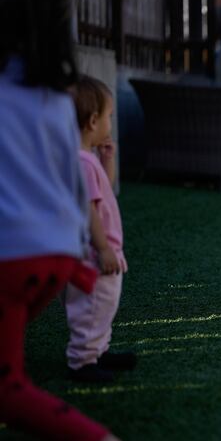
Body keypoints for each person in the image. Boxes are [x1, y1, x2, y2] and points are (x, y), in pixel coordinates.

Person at [0, 0, 128, 441]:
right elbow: (76, 186)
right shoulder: (56, 98)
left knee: (7, 385)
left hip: (16, 257)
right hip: (54, 257)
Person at [64, 74, 136, 383]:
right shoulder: (81, 162)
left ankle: (99, 351)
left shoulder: (86, 159)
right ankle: (83, 361)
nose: (110, 123)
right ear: (93, 121)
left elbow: (102, 187)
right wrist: (104, 248)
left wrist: (108, 160)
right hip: (94, 254)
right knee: (92, 307)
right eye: (109, 117)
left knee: (104, 306)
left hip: (99, 250)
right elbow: (90, 209)